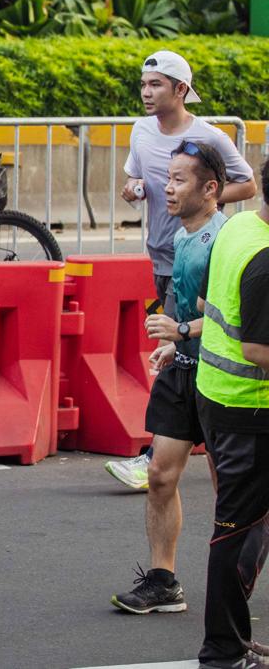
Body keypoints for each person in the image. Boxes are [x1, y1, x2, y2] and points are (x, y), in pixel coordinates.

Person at [105, 51, 255, 490]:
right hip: (163, 254)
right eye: (143, 84)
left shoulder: (209, 138)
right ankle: (214, 459)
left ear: (180, 90)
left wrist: (206, 208)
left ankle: (163, 454)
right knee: (184, 347)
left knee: (188, 340)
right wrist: (132, 188)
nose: (146, 92)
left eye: (155, 84)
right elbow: (131, 179)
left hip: (200, 252)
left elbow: (246, 182)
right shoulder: (140, 131)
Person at [110, 141, 227, 616]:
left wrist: (180, 329)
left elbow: (232, 318)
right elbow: (186, 310)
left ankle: (237, 576)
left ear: (211, 188)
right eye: (168, 178)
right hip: (182, 373)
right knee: (160, 476)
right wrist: (173, 342)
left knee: (233, 489)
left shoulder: (224, 240)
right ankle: (163, 582)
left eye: (180, 180)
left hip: (223, 378)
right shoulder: (181, 238)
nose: (168, 188)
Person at [193, 157, 269, 668]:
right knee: (236, 528)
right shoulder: (265, 261)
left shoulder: (240, 223)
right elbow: (259, 350)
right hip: (249, 410)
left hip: (217, 397)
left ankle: (232, 640)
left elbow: (205, 301)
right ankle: (222, 648)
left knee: (246, 522)